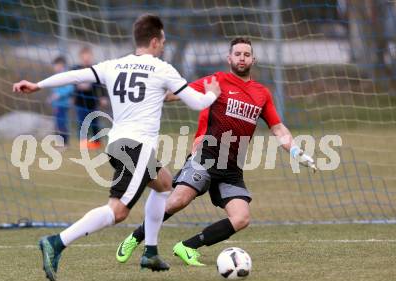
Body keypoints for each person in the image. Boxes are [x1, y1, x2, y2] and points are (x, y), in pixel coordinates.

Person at [12, 14, 221, 281]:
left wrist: (39, 84)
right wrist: (213, 92)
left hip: (117, 144)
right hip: (138, 149)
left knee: (165, 184)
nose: (164, 45)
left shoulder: (115, 65)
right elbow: (198, 103)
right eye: (164, 41)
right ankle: (57, 241)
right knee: (118, 211)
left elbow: (75, 75)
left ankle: (151, 252)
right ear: (156, 40)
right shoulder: (162, 68)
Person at [116, 37, 316, 266]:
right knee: (176, 201)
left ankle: (187, 246)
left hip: (231, 169)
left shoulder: (262, 94)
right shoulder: (216, 81)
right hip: (206, 158)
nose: (242, 57)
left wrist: (295, 151)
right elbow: (178, 93)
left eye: (246, 54)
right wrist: (147, 97)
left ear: (253, 59)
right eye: (237, 54)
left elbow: (278, 128)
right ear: (229, 58)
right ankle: (135, 238)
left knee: (241, 218)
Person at [73, 46, 109, 150]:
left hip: (92, 101)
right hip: (80, 101)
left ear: (91, 56)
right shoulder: (75, 69)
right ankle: (83, 143)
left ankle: (96, 143)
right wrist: (73, 93)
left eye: (88, 55)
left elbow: (101, 84)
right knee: (81, 122)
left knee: (94, 122)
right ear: (80, 57)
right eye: (84, 55)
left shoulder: (95, 69)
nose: (86, 58)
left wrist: (103, 97)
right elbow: (70, 82)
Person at [47, 56, 74, 148]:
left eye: (56, 65)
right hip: (57, 104)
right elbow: (54, 90)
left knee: (61, 123)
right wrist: (51, 98)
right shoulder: (56, 75)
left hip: (63, 104)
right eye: (54, 65)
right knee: (57, 123)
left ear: (61, 65)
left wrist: (59, 94)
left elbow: (70, 88)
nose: (55, 67)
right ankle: (61, 143)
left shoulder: (66, 75)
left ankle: (64, 143)